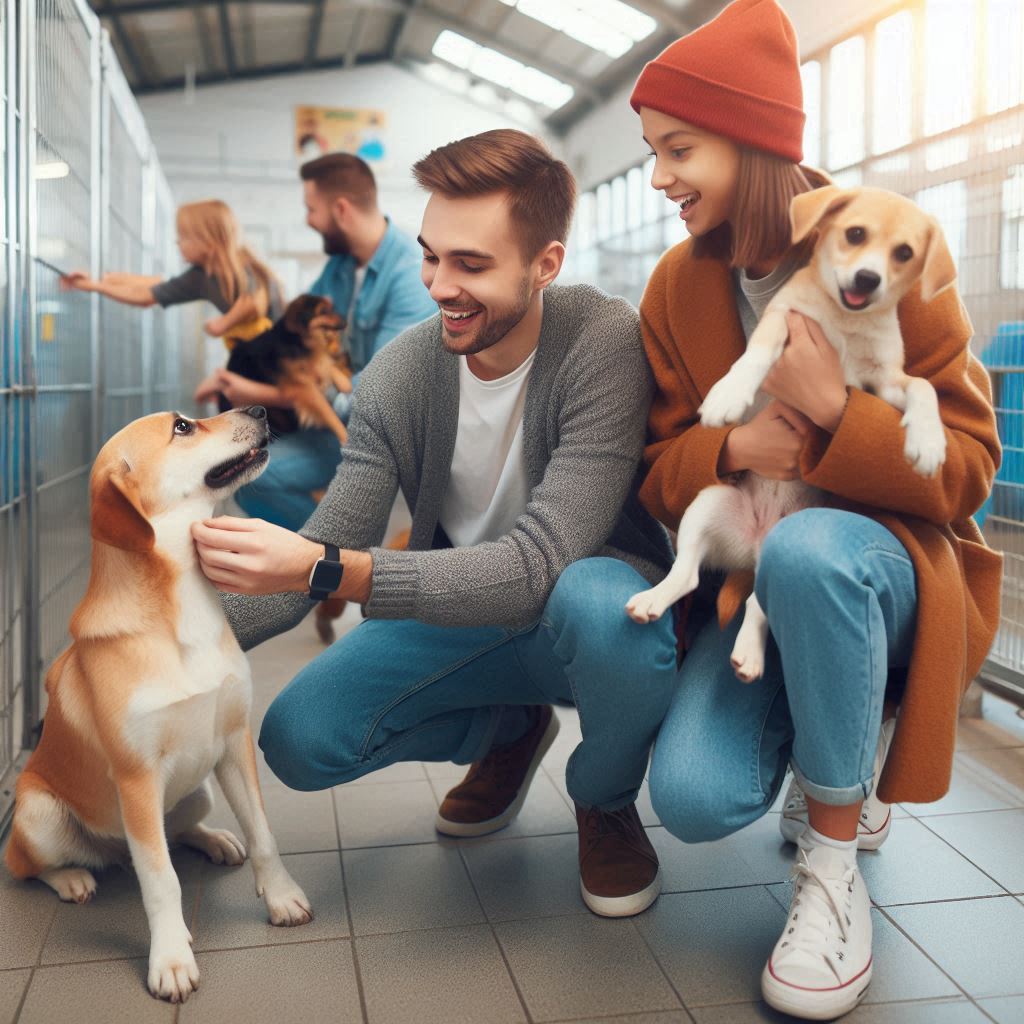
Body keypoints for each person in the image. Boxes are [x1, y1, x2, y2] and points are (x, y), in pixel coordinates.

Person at [191, 129, 679, 919]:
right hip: (461, 614)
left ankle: (605, 798)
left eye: (471, 265)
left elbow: (539, 562)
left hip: (575, 614)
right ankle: (509, 733)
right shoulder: (402, 373)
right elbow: (335, 533)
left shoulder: (601, 340)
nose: (438, 285)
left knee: (598, 605)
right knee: (300, 737)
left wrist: (329, 572)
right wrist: (148, 657)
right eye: (431, 255)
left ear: (545, 264)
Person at [629, 0, 1002, 1018]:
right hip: (754, 551)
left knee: (816, 554)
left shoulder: (892, 246)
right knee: (699, 798)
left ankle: (831, 864)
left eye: (677, 149)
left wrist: (839, 416)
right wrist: (735, 445)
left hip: (871, 564)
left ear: (751, 146)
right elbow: (660, 465)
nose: (659, 175)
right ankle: (831, 738)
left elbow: (968, 468)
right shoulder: (678, 283)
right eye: (651, 153)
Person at [226, 152, 436, 531]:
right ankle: (327, 563)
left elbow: (377, 392)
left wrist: (272, 392)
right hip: (334, 423)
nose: (308, 220)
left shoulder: (408, 274)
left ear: (341, 210)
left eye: (311, 209)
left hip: (378, 435)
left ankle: (332, 562)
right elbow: (291, 331)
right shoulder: (339, 268)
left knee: (263, 477)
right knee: (246, 475)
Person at [63, 199, 283, 346]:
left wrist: (223, 324)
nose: (178, 243)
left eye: (184, 237)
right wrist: (97, 280)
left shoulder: (243, 265)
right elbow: (151, 288)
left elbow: (254, 302)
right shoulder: (201, 275)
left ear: (208, 241)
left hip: (280, 350)